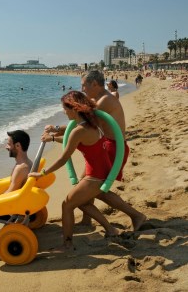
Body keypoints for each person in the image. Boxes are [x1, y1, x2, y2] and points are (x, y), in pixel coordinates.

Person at [45, 70, 146, 231]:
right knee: (87, 184)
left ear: (94, 84)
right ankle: (87, 220)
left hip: (113, 147)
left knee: (95, 189)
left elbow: (84, 123)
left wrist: (56, 129)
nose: (82, 88)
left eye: (84, 85)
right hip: (104, 145)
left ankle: (136, 215)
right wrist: (56, 132)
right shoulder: (96, 99)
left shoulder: (104, 101)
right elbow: (80, 125)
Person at [29, 91, 121, 252]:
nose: (64, 112)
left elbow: (63, 158)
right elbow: (69, 139)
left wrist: (42, 173)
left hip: (95, 175)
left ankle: (67, 244)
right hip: (101, 170)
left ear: (74, 109)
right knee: (82, 202)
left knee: (67, 205)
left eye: (65, 108)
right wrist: (52, 135)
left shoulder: (79, 130)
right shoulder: (91, 122)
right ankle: (111, 230)